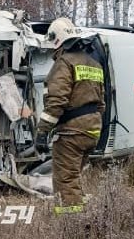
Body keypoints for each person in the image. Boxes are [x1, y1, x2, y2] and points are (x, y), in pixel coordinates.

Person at [35, 18, 106, 214]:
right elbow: (101, 103)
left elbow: (56, 102)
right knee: (74, 177)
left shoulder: (64, 63)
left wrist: (42, 133)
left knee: (65, 179)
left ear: (56, 40)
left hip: (71, 132)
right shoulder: (94, 64)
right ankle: (82, 216)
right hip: (92, 130)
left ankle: (71, 224)